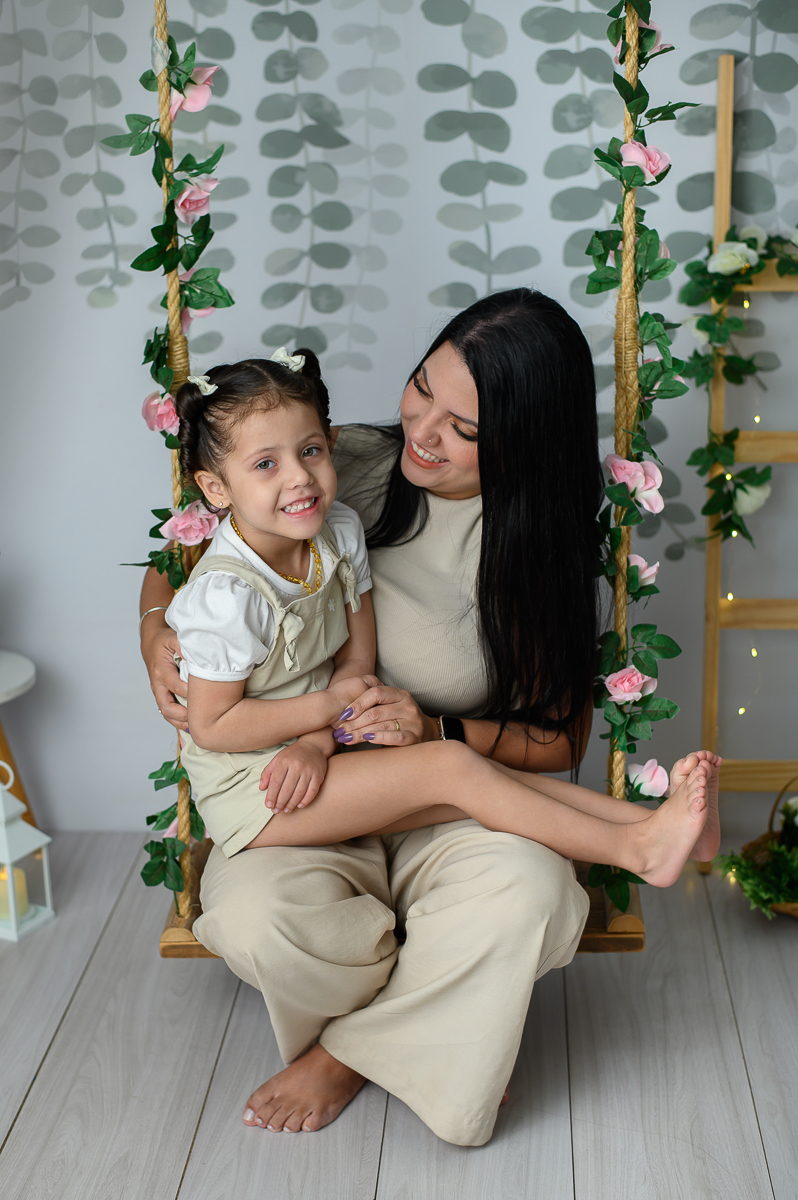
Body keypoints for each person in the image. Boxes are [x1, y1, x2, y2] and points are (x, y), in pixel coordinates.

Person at [140, 289, 721, 1146]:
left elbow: (555, 743)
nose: (422, 431)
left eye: (465, 429)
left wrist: (433, 728)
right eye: (422, 389)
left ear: (521, 440)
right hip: (296, 789)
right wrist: (157, 633)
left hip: (431, 801)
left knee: (527, 892)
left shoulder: (522, 547)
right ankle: (622, 852)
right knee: (262, 917)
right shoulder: (336, 466)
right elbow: (179, 562)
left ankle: (348, 1052)